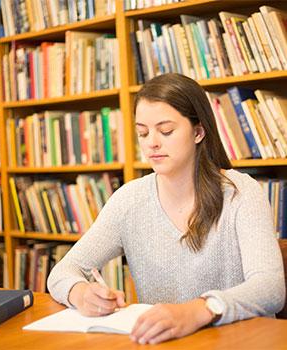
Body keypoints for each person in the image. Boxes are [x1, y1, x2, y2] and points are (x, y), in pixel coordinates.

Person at [47, 73, 285, 345]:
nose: (152, 143)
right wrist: (80, 293)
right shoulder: (129, 200)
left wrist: (198, 310)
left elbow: (270, 288)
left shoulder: (242, 193)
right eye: (143, 132)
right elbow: (63, 271)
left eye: (166, 131)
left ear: (198, 132)